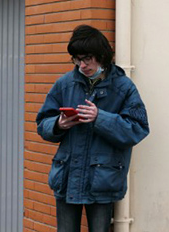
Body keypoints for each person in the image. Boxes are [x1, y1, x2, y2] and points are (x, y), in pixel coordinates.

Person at [36, 25, 150, 232]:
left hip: (102, 180)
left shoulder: (124, 87)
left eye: (87, 58)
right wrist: (58, 124)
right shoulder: (65, 84)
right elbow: (42, 123)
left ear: (101, 56)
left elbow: (138, 128)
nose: (82, 64)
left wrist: (100, 118)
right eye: (77, 59)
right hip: (67, 176)